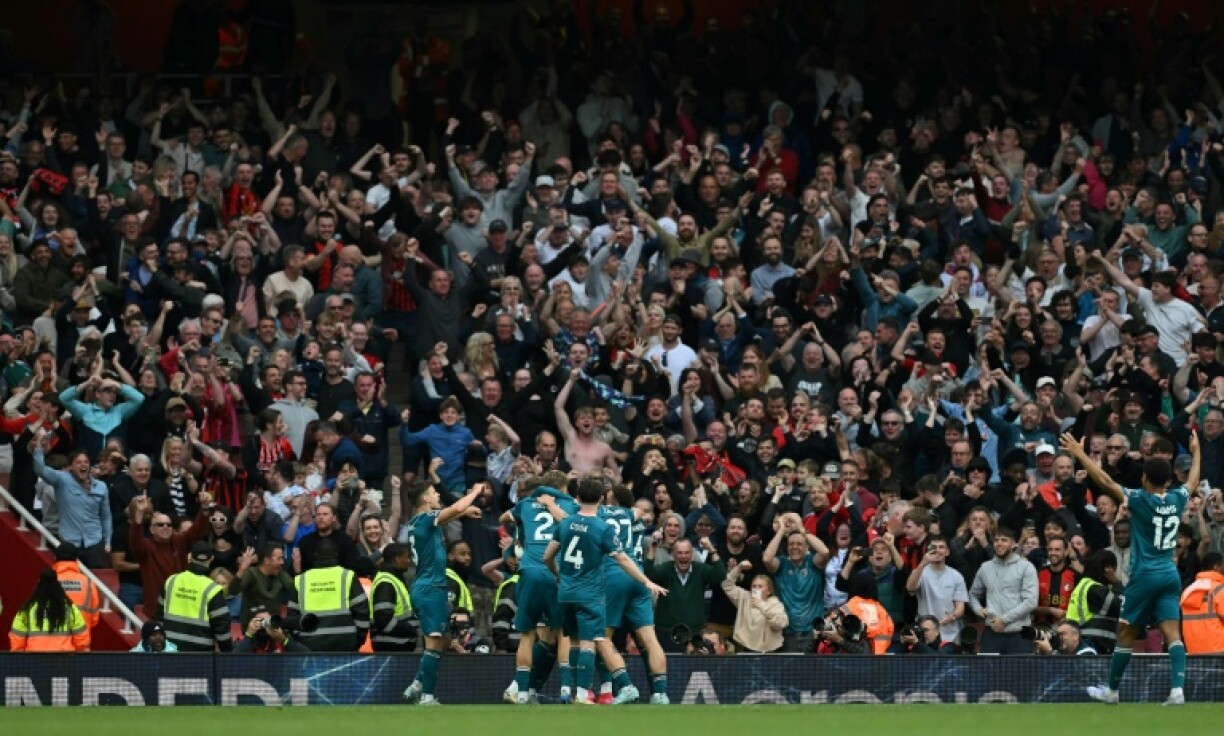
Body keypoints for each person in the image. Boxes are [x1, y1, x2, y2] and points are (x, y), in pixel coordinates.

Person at [1061, 431, 1200, 706]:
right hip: (1169, 575)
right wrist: (1197, 452)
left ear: (1145, 478)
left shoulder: (1140, 498)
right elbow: (1193, 481)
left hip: (1144, 575)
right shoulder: (1177, 498)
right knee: (1173, 634)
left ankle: (1112, 691)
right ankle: (1177, 691)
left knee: (1125, 634)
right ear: (1168, 480)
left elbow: (1105, 481)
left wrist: (1079, 454)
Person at [543, 475, 668, 705]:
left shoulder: (593, 518)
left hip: (608, 578)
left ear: (579, 497)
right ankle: (660, 694)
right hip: (636, 574)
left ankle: (616, 687)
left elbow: (565, 523)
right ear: (601, 497)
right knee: (650, 639)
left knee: (599, 638)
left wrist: (550, 504)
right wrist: (647, 581)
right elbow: (640, 513)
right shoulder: (628, 514)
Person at [402, 480, 486, 706]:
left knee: (444, 640)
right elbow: (455, 508)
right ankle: (426, 696)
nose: (438, 495)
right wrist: (475, 492)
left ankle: (417, 684)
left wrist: (464, 512)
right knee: (434, 642)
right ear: (425, 499)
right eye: (433, 492)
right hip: (429, 588)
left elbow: (453, 513)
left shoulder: (421, 522)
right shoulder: (425, 518)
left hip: (432, 588)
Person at [289, 536, 370, 652]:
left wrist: (301, 641)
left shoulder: (300, 580)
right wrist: (357, 639)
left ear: (315, 555)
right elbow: (362, 611)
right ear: (336, 554)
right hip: (345, 644)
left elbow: (292, 617)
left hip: (310, 645)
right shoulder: (347, 576)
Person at [967, 526, 1039, 654]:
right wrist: (978, 609)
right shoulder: (985, 568)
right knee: (987, 668)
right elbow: (972, 595)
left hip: (1020, 634)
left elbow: (1031, 602)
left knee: (1021, 668)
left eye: (1004, 540)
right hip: (991, 632)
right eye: (996, 540)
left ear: (1014, 544)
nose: (999, 543)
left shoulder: (1026, 567)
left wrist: (1004, 620)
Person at [157, 541, 233, 652]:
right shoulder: (213, 589)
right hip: (200, 655)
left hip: (170, 651)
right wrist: (228, 653)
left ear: (190, 557)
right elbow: (222, 629)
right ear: (211, 558)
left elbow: (159, 617)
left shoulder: (171, 581)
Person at [905, 534, 968, 645]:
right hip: (925, 632)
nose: (937, 550)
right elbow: (910, 588)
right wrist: (923, 563)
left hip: (949, 632)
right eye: (933, 547)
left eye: (941, 547)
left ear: (947, 552)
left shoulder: (956, 576)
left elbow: (960, 607)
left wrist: (952, 616)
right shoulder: (921, 571)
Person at [8, 568, 90, 652]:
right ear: (57, 584)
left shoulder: (27, 609)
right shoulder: (69, 609)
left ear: (39, 584)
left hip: (34, 658)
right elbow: (81, 641)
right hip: (63, 658)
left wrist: (20, 656)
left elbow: (17, 641)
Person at [721, 560, 788, 652]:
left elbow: (781, 623)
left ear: (769, 591)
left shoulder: (775, 603)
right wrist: (738, 568)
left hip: (771, 650)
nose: (756, 589)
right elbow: (726, 585)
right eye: (754, 586)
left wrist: (761, 605)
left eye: (760, 586)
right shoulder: (745, 597)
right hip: (748, 647)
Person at [370, 542, 418, 652]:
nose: (409, 561)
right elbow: (384, 621)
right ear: (398, 559)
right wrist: (410, 628)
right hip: (391, 647)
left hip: (397, 645)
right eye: (407, 557)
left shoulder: (394, 578)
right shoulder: (386, 582)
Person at [1179, 551, 1224, 654]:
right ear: (1216, 567)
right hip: (1219, 651)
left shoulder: (1188, 590)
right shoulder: (1219, 590)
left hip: (1193, 652)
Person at [51, 542, 101, 630]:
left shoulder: (48, 581)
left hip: (56, 635)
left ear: (55, 557)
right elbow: (94, 618)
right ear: (76, 559)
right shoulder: (88, 582)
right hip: (81, 634)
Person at [235, 609, 310, 653]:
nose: (266, 625)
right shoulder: (248, 642)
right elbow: (234, 659)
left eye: (268, 620)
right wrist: (249, 634)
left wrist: (284, 640)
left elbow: (306, 654)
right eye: (262, 621)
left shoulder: (280, 639)